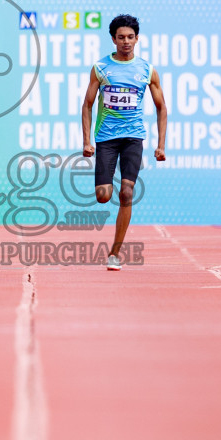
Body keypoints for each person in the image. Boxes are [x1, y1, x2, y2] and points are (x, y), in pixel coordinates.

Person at [81, 14, 168, 271]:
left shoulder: (147, 70)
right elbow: (86, 105)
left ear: (137, 39)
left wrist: (161, 144)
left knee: (127, 193)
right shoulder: (101, 68)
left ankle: (115, 253)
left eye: (130, 37)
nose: (126, 42)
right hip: (106, 139)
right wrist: (87, 141)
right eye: (121, 37)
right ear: (113, 39)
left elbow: (162, 108)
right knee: (103, 196)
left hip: (133, 138)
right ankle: (113, 244)